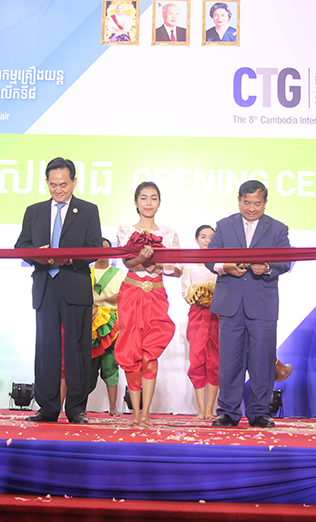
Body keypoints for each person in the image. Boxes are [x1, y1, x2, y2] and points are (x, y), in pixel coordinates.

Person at [16, 157, 102, 424]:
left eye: (63, 184)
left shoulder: (88, 210)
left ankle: (76, 408)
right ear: (46, 182)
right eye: (53, 185)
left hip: (74, 284)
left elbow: (95, 249)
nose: (58, 190)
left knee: (77, 350)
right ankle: (48, 407)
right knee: (46, 348)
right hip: (45, 285)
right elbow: (21, 247)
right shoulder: (34, 211)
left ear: (74, 182)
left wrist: (70, 258)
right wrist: (37, 254)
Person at [208, 180, 291, 428]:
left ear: (265, 203)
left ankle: (259, 412)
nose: (252, 208)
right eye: (247, 202)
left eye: (257, 203)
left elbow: (286, 261)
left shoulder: (278, 228)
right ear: (239, 200)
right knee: (229, 361)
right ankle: (227, 412)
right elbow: (209, 258)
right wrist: (225, 267)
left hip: (263, 304)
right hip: (230, 303)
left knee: (263, 361)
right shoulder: (224, 225)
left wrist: (267, 267)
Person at [115, 181, 181, 427]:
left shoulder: (169, 233)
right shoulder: (125, 230)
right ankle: (134, 414)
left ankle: (146, 413)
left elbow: (178, 269)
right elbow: (127, 262)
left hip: (156, 295)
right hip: (131, 295)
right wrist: (141, 260)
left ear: (159, 202)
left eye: (153, 198)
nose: (149, 203)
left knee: (150, 354)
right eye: (143, 198)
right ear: (136, 202)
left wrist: (159, 267)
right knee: (131, 353)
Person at [181, 225, 220, 420]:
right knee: (197, 359)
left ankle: (210, 409)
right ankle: (201, 409)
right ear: (196, 240)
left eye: (211, 237)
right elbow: (185, 291)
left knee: (215, 361)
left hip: (217, 315)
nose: (207, 240)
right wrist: (198, 297)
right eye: (203, 237)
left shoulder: (220, 263)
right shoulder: (189, 263)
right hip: (196, 314)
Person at [89, 238, 125, 417]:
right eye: (99, 247)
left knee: (110, 364)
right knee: (86, 365)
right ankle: (79, 406)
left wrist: (99, 300)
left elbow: (122, 296)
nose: (102, 251)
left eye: (106, 248)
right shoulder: (86, 272)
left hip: (110, 324)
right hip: (88, 322)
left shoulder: (119, 274)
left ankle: (113, 407)